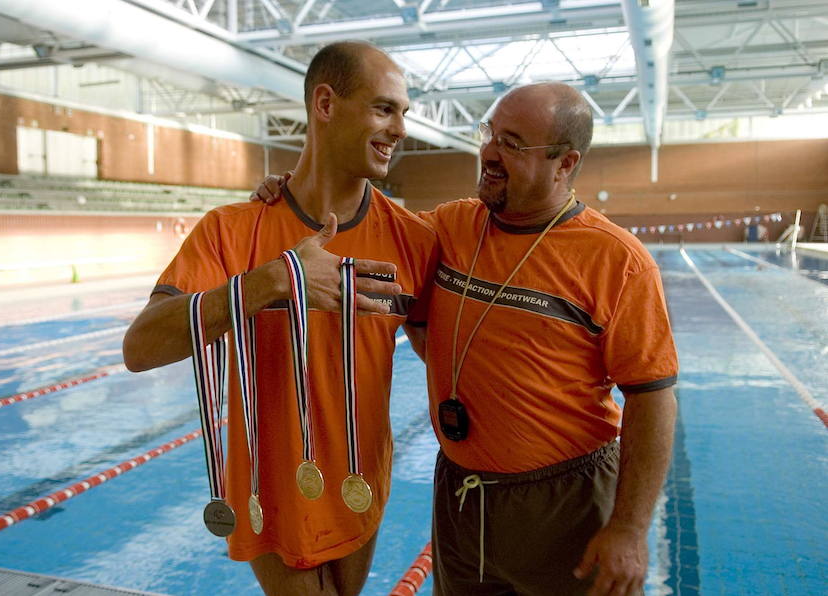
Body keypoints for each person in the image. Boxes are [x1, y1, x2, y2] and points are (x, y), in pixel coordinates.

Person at [255, 82, 678, 596]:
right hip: (461, 493)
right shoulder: (451, 227)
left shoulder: (618, 261)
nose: (490, 154)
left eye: (513, 144)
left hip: (566, 500)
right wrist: (296, 192)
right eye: (490, 133)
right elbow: (361, 234)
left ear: (565, 164)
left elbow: (652, 399)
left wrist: (630, 529)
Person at [123, 41, 436, 596]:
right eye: (384, 108)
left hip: (361, 481)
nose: (401, 128)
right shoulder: (232, 229)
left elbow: (445, 351)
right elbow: (141, 348)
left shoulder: (411, 239)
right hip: (267, 492)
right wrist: (272, 281)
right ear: (325, 103)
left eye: (403, 113)